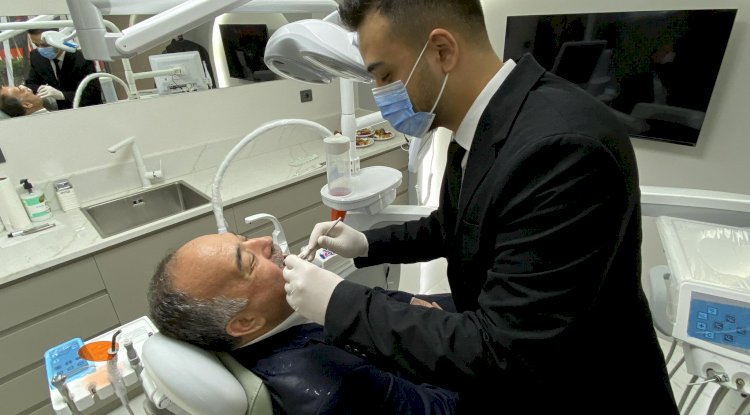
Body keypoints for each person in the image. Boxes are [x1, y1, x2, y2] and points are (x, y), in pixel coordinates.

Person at [281, 1, 679, 413]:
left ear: (441, 51)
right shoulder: (480, 125)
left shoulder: (561, 151)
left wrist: (338, 304)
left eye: (384, 75)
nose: (381, 96)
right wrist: (365, 243)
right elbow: (453, 225)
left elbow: (503, 352)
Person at [147, 233, 459, 414]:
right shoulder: (336, 386)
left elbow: (384, 303)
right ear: (245, 322)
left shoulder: (289, 318)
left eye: (244, 239)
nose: (265, 241)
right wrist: (437, 336)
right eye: (249, 260)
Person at [24, 29, 102, 110]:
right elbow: (31, 84)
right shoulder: (36, 57)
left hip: (87, 109)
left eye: (45, 44)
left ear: (57, 39)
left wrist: (62, 95)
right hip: (60, 111)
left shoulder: (82, 59)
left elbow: (93, 95)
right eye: (36, 44)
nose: (40, 48)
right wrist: (40, 90)